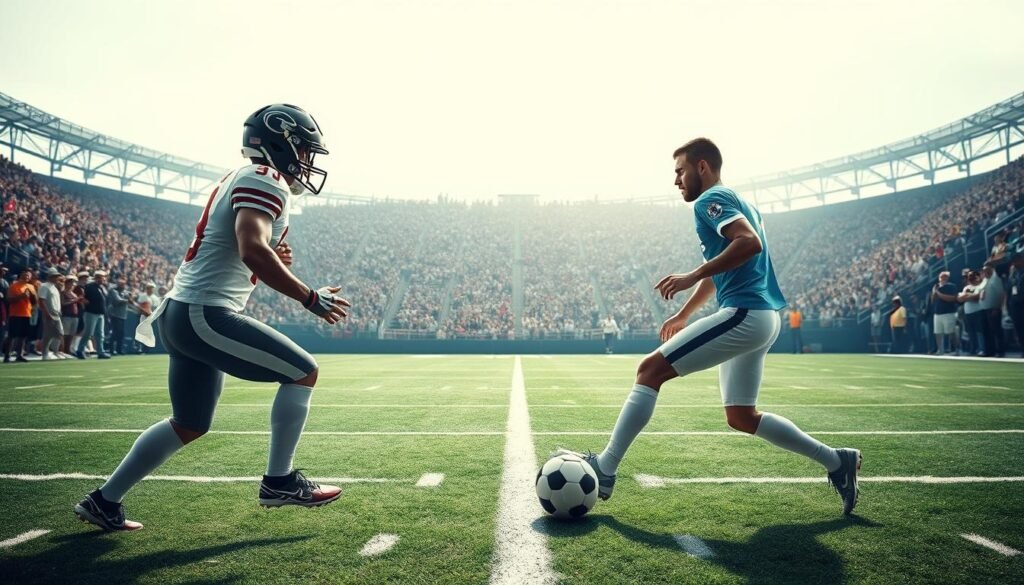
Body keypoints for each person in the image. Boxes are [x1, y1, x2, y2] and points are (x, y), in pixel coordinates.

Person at [75, 104, 349, 532]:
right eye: (305, 151)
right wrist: (308, 297)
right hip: (203, 313)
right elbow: (251, 248)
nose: (309, 162)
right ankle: (280, 481)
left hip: (182, 314)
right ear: (283, 143)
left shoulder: (244, 178)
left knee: (189, 422)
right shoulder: (266, 177)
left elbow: (245, 248)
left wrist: (272, 257)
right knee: (302, 372)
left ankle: (104, 501)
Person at [560, 138, 860, 516]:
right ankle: (837, 461)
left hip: (745, 313)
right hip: (761, 317)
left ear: (702, 167)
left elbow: (747, 244)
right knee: (741, 417)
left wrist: (692, 274)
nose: (676, 181)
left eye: (679, 171)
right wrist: (685, 312)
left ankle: (605, 469)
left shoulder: (708, 201)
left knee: (649, 370)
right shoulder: (742, 201)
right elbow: (728, 261)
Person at [76, 270, 110, 359]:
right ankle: (80, 350)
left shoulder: (101, 287)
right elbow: (82, 297)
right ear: (97, 277)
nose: (103, 279)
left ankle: (100, 352)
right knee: (88, 333)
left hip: (100, 314)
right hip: (91, 313)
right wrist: (84, 301)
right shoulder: (89, 286)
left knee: (100, 334)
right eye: (102, 277)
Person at [3, 269, 36, 363]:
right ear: (21, 275)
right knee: (12, 335)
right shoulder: (14, 286)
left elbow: (34, 301)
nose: (27, 277)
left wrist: (33, 296)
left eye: (28, 276)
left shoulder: (31, 286)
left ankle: (19, 355)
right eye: (25, 275)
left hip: (27, 313)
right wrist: (21, 296)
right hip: (15, 313)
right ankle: (7, 355)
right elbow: (9, 300)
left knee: (23, 336)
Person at [37, 268, 65, 360]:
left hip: (56, 313)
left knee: (58, 333)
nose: (57, 278)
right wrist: (46, 313)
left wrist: (59, 310)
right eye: (55, 276)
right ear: (50, 277)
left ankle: (54, 352)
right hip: (49, 313)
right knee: (49, 334)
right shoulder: (44, 286)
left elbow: (56, 301)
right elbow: (41, 300)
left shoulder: (54, 287)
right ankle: (45, 353)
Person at [980, 263, 1006, 357]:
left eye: (987, 270)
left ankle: (1000, 351)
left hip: (993, 308)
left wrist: (997, 307)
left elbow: (1000, 294)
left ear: (991, 270)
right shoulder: (984, 280)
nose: (985, 272)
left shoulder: (995, 280)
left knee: (996, 330)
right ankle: (989, 351)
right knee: (986, 331)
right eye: (984, 270)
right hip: (984, 308)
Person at [931, 271, 959, 354]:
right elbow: (933, 300)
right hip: (937, 313)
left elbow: (952, 298)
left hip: (948, 312)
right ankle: (940, 350)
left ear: (947, 278)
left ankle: (955, 349)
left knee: (951, 332)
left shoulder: (951, 286)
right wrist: (934, 291)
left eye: (944, 277)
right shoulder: (937, 287)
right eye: (940, 277)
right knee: (938, 332)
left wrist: (939, 293)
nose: (941, 279)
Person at [60, 274, 81, 355]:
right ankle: (64, 349)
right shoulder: (63, 292)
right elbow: (63, 303)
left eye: (73, 283)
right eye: (71, 283)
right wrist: (74, 300)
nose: (72, 285)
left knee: (72, 334)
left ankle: (68, 349)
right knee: (66, 333)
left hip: (75, 315)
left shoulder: (73, 293)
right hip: (67, 314)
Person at [1008, 253, 1024, 352]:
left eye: (1016, 261)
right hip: (1015, 304)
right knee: (1018, 328)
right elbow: (1009, 289)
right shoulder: (1013, 273)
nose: (1014, 263)